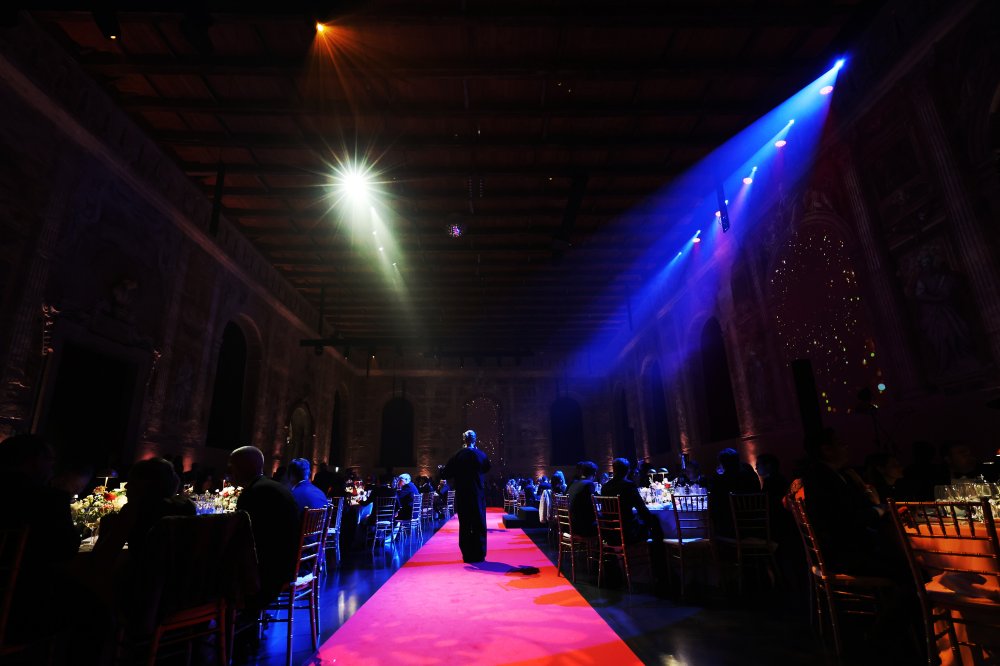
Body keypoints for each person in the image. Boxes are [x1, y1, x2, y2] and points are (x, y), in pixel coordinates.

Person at [228, 446, 301, 607]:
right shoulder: (274, 487)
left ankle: (224, 616)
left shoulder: (254, 493)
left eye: (232, 466)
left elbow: (245, 540)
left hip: (268, 574)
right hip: (287, 565)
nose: (229, 472)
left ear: (244, 467)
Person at [441, 429, 491, 563]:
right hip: (477, 494)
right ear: (475, 439)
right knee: (479, 522)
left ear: (464, 439)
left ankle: (467, 554)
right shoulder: (481, 454)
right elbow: (487, 468)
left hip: (463, 494)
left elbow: (446, 473)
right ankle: (480, 553)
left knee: (465, 523)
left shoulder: (458, 455)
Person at [708, 448, 761, 538]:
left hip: (732, 522)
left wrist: (718, 475)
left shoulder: (723, 478)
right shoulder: (747, 469)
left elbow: (714, 494)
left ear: (723, 463)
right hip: (755, 517)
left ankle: (717, 537)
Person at [601, 458, 657, 543]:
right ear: (628, 471)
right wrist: (650, 521)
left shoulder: (605, 487)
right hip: (627, 532)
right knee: (655, 522)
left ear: (614, 470)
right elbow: (641, 508)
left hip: (609, 533)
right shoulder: (628, 486)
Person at [566, 461, 598, 537]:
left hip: (571, 526)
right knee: (607, 525)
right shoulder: (589, 484)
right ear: (594, 474)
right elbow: (592, 507)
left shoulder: (574, 484)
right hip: (582, 527)